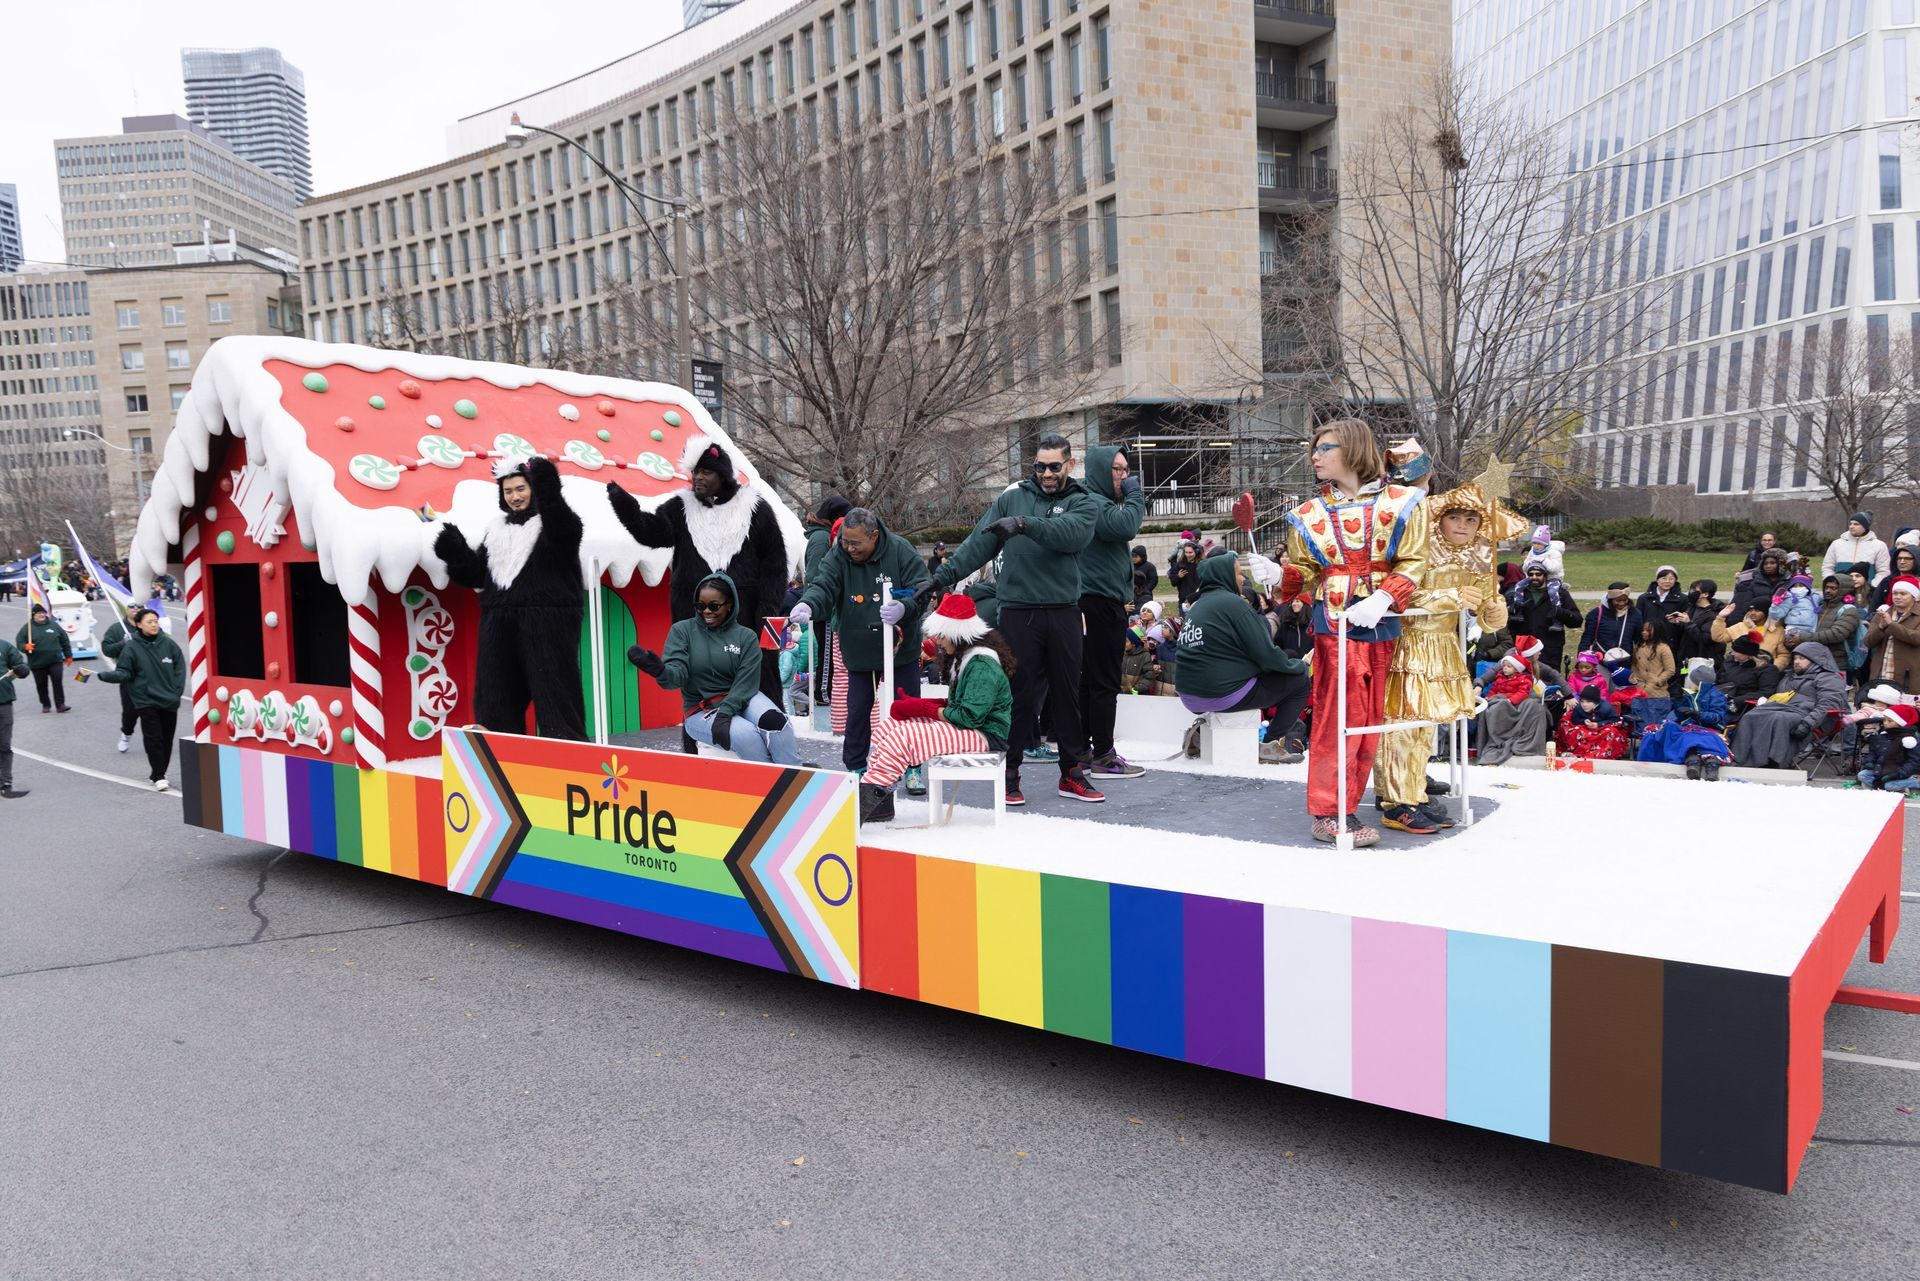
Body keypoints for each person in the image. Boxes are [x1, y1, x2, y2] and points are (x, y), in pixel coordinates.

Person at [921, 433, 1102, 806]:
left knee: (1067, 693)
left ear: (1069, 464)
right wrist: (941, 577)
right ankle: (1010, 771)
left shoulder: (1082, 501)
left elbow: (1072, 536)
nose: (1047, 473)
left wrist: (1025, 525)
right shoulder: (1012, 497)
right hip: (1019, 610)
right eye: (1040, 466)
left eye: (1054, 466)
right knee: (1017, 694)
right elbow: (979, 543)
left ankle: (1071, 772)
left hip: (1064, 609)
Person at [1279, 419, 1427, 846]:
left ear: (1353, 449)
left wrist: (1384, 599)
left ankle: (1349, 805)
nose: (1315, 456)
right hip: (1334, 625)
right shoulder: (1309, 514)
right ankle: (1329, 811)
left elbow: (1415, 561)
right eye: (1315, 449)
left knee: (1369, 720)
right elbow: (1304, 574)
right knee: (1336, 717)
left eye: (1324, 448)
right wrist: (1281, 573)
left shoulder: (1405, 502)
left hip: (1384, 624)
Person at [606, 435, 799, 709]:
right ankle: (699, 740)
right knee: (697, 682)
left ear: (722, 474)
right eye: (695, 471)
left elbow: (775, 566)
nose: (697, 477)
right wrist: (625, 506)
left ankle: (768, 738)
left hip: (748, 612)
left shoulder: (755, 508)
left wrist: (765, 615)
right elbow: (652, 533)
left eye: (705, 471)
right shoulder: (680, 507)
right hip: (696, 614)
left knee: (759, 679)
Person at [1377, 477, 1522, 834]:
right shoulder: (1419, 552)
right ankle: (1398, 801)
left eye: (1471, 520)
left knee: (1426, 728)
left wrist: (1494, 613)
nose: (1463, 526)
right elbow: (1399, 597)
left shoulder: (1479, 560)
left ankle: (1413, 794)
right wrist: (1451, 597)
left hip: (1444, 648)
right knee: (1403, 726)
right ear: (1439, 520)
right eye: (1455, 518)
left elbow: (1487, 619)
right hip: (1409, 646)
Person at [432, 456, 588, 740]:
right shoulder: (495, 529)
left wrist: (549, 490)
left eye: (520, 489)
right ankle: (497, 752)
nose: (514, 497)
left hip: (547, 619)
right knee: (495, 694)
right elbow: (478, 577)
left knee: (555, 693)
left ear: (535, 488)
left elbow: (567, 532)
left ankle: (566, 754)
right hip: (498, 620)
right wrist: (455, 553)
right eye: (508, 491)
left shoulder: (552, 523)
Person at [787, 507, 931, 775]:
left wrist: (905, 606)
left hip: (900, 649)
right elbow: (823, 585)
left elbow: (921, 587)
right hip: (859, 648)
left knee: (907, 708)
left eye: (856, 543)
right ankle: (855, 767)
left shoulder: (900, 550)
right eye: (845, 541)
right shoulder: (839, 555)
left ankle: (912, 767)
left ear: (874, 536)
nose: (849, 548)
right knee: (857, 711)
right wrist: (808, 604)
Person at [857, 595, 1016, 823]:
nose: (938, 641)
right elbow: (961, 706)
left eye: (941, 635)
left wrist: (924, 708)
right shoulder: (964, 659)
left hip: (987, 734)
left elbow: (969, 716)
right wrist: (924, 708)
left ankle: (863, 805)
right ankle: (878, 803)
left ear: (957, 634)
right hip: (974, 727)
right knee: (889, 727)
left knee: (904, 736)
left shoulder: (981, 666)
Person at [629, 572, 799, 765]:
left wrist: (726, 711)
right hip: (701, 709)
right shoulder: (682, 631)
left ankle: (796, 775)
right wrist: (661, 671)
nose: (706, 611)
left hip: (742, 696)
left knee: (777, 723)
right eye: (700, 606)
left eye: (714, 606)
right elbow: (678, 674)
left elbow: (746, 681)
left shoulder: (746, 636)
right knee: (746, 736)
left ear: (730, 605)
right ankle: (775, 783)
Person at [1175, 548, 1310, 763]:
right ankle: (1269, 744)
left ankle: (1200, 736)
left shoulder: (1197, 607)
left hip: (1189, 696)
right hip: (1222, 693)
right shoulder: (1234, 604)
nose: (1243, 577)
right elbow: (1266, 654)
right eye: (1238, 573)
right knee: (1300, 681)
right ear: (1225, 576)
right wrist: (1297, 666)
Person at [1075, 446, 1148, 779]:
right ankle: (1103, 754)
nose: (1124, 475)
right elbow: (1125, 527)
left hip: (1096, 602)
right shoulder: (1094, 501)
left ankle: (1084, 751)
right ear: (1100, 470)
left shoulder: (1092, 500)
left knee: (1091, 681)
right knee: (1103, 681)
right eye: (1117, 469)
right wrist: (1136, 496)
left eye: (1126, 469)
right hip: (1100, 603)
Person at [92, 607, 186, 791]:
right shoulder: (132, 647)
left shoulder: (169, 645)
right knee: (154, 737)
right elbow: (124, 672)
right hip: (146, 700)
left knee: (167, 738)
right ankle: (158, 774)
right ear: (138, 624)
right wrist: (105, 676)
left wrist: (176, 692)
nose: (154, 625)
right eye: (149, 622)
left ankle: (161, 771)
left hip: (169, 700)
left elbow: (179, 669)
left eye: (156, 621)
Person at [1730, 642, 1850, 768]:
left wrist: (1808, 723)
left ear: (1816, 660)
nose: (1797, 662)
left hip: (1811, 716)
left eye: (1802, 658)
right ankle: (1740, 759)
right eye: (1795, 658)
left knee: (1779, 719)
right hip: (1784, 709)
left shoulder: (1828, 678)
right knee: (1751, 715)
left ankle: (1773, 761)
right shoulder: (1790, 677)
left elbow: (1828, 705)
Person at [1639, 658, 1732, 778]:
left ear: (1700, 682)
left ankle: (1711, 764)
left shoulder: (1716, 696)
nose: (1690, 682)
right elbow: (1682, 715)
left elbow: (1717, 717)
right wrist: (1677, 701)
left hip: (1710, 728)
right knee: (1683, 736)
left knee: (1697, 738)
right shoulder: (1690, 695)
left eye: (1692, 680)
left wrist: (1698, 714)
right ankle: (1693, 762)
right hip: (1691, 727)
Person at [1474, 636, 1557, 766]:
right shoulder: (1503, 669)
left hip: (1518, 699)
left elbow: (1551, 677)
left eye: (1508, 667)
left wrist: (1570, 696)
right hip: (1505, 699)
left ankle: (1527, 743)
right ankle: (1499, 742)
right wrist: (1482, 688)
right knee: (1497, 706)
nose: (1540, 654)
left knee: (1535, 708)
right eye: (1537, 651)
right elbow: (1490, 683)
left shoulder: (1528, 674)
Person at [1505, 563, 1583, 674]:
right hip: (1524, 650)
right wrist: (1512, 613)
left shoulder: (1560, 594)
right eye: (1531, 574)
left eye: (1538, 574)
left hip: (1549, 649)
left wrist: (1559, 612)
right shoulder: (1518, 594)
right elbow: (1505, 622)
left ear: (1545, 575)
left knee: (1548, 683)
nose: (1534, 577)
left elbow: (1577, 620)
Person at [15, 602, 71, 714]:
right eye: (39, 613)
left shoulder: (53, 625)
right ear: (33, 615)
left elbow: (64, 640)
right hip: (37, 663)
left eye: (43, 613)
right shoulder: (28, 628)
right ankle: (46, 704)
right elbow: (19, 642)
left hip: (55, 660)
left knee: (57, 682)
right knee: (41, 685)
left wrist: (68, 655)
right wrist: (25, 647)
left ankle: (60, 705)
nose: (42, 615)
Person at [1866, 575, 1920, 689]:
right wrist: (1880, 627)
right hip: (1881, 672)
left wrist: (1891, 625)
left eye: (1903, 594)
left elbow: (1916, 638)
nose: (1898, 597)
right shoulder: (1883, 613)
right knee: (1879, 706)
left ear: (1914, 596)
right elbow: (1868, 642)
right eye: (1895, 593)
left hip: (1908, 676)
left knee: (1904, 706)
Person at [99, 612, 141, 752]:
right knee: (130, 712)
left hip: (151, 676)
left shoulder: (151, 627)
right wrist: (122, 643)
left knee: (154, 711)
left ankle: (157, 741)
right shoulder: (116, 629)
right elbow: (107, 650)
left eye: (138, 606)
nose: (135, 608)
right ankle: (126, 734)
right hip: (128, 676)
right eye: (131, 606)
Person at [1858, 704, 1920, 791]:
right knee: (1863, 775)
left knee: (1889, 786)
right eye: (1884, 720)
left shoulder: (1910, 740)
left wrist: (1900, 773)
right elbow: (1873, 752)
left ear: (1900, 723)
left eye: (1890, 721)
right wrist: (1869, 761)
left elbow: (1914, 761)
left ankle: (1914, 782)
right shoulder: (1883, 735)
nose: (1885, 723)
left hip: (1900, 772)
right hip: (1882, 769)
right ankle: (1890, 787)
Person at [1811, 575, 1863, 677]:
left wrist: (1804, 637)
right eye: (1826, 587)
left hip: (1837, 665)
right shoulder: (1821, 608)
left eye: (1833, 588)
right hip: (1817, 661)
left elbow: (1837, 634)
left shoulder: (1849, 610)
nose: (1827, 591)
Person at [1721, 631, 1784, 713]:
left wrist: (1737, 700)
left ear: (1747, 654)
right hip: (1721, 700)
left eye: (1735, 651)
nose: (1731, 653)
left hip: (1744, 708)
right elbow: (1719, 680)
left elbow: (1766, 692)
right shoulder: (1730, 662)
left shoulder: (1766, 670)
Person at [1822, 511, 1891, 586]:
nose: (1851, 526)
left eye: (1856, 524)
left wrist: (1872, 586)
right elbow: (1827, 567)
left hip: (1867, 593)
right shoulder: (1836, 544)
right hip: (1840, 590)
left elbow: (1883, 571)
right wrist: (1832, 583)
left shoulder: (1879, 545)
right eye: (1850, 523)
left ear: (1865, 527)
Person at [1714, 600, 1788, 669]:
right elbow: (1718, 637)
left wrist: (1773, 668)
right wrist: (1720, 617)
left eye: (1757, 610)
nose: (1752, 613)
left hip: (1765, 672)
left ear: (1766, 612)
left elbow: (1783, 655)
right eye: (1750, 610)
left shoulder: (1778, 630)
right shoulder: (1740, 626)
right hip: (1740, 670)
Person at [0, 630, 28, 797]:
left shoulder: (4, 646)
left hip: (4, 703)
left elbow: (22, 667)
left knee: (4, 746)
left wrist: (22, 669)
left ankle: (5, 783)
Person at [1579, 583, 1643, 657]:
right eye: (1618, 600)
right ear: (1610, 600)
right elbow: (1587, 639)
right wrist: (1582, 658)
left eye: (1625, 600)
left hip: (1625, 661)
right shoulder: (1596, 614)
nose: (1621, 603)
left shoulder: (1635, 614)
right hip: (1599, 660)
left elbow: (1638, 639)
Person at [1637, 566, 1690, 647]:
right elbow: (1639, 620)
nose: (1667, 581)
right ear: (1657, 579)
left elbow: (1684, 622)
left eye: (1671, 579)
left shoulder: (1683, 599)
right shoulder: (1644, 598)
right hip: (1648, 641)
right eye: (1664, 578)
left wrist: (1676, 622)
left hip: (1671, 642)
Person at [1732, 549, 1791, 616]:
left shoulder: (1789, 581)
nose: (1768, 566)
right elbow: (1747, 602)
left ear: (1781, 565)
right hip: (1757, 618)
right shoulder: (1755, 582)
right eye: (1765, 563)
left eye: (1772, 563)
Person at [1169, 542, 1201, 613]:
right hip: (1184, 600)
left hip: (1199, 599)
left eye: (1190, 552)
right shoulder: (1180, 564)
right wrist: (1178, 576)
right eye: (1186, 552)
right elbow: (1173, 583)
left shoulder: (1202, 564)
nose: (1188, 555)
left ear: (1196, 552)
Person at [1130, 545, 1159, 612]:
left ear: (1142, 557)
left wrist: (1145, 590)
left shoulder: (1150, 567)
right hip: (1132, 594)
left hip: (1144, 595)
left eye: (1136, 556)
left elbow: (1153, 581)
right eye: (1132, 556)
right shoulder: (1131, 566)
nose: (1134, 558)